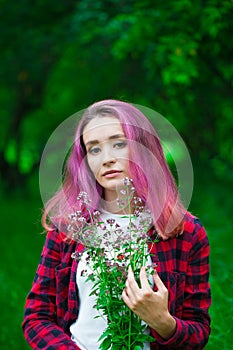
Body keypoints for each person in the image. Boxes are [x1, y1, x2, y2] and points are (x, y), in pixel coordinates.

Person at [22, 99, 211, 349]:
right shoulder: (68, 229)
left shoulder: (185, 231)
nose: (107, 159)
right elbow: (37, 318)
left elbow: (199, 331)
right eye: (94, 149)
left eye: (119, 144)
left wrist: (164, 322)